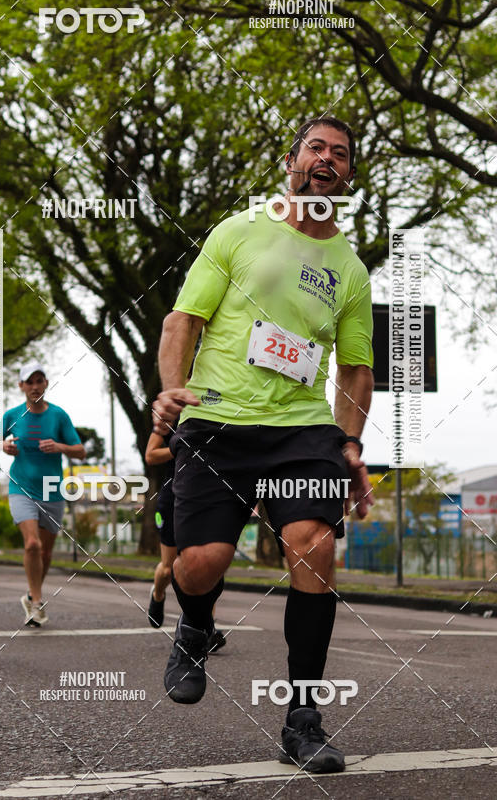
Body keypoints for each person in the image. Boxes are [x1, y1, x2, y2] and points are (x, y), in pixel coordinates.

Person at [152, 117, 374, 773]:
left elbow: (355, 368)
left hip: (302, 429)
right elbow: (181, 321)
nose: (327, 159)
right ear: (290, 161)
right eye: (316, 148)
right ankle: (194, 624)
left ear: (348, 175)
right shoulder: (239, 231)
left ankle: (303, 719)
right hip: (217, 420)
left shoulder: (351, 269)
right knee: (202, 560)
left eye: (340, 154)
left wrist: (351, 442)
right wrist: (172, 392)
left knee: (314, 546)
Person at [2, 360, 86, 627]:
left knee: (46, 554)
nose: (35, 386)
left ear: (46, 383)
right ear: (21, 386)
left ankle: (30, 595)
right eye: (30, 382)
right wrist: (5, 446)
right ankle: (37, 603)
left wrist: (60, 446)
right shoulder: (12, 415)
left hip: (52, 489)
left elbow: (80, 450)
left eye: (39, 381)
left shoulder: (58, 415)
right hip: (21, 486)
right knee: (33, 545)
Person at [145, 429, 226, 653]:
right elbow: (151, 455)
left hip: (204, 496)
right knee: (168, 569)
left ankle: (204, 628)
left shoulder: (216, 412)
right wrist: (180, 447)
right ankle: (158, 593)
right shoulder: (171, 415)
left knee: (207, 566)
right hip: (172, 498)